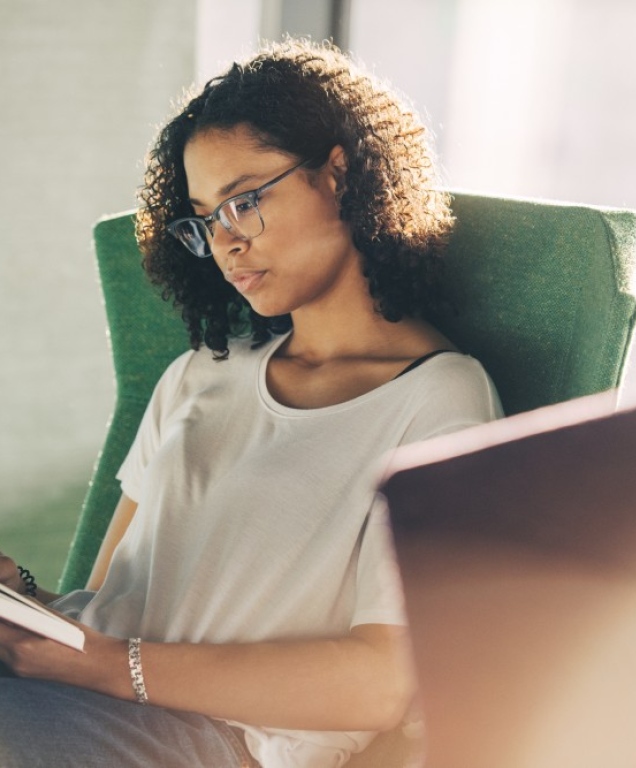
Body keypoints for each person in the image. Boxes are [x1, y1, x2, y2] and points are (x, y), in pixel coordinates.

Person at [0, 39, 502, 768]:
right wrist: (30, 605)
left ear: (340, 172)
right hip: (66, 697)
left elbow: (383, 681)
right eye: (205, 219)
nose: (226, 242)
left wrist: (99, 665)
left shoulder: (439, 400)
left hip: (213, 738)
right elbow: (110, 597)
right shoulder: (203, 373)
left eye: (245, 201)